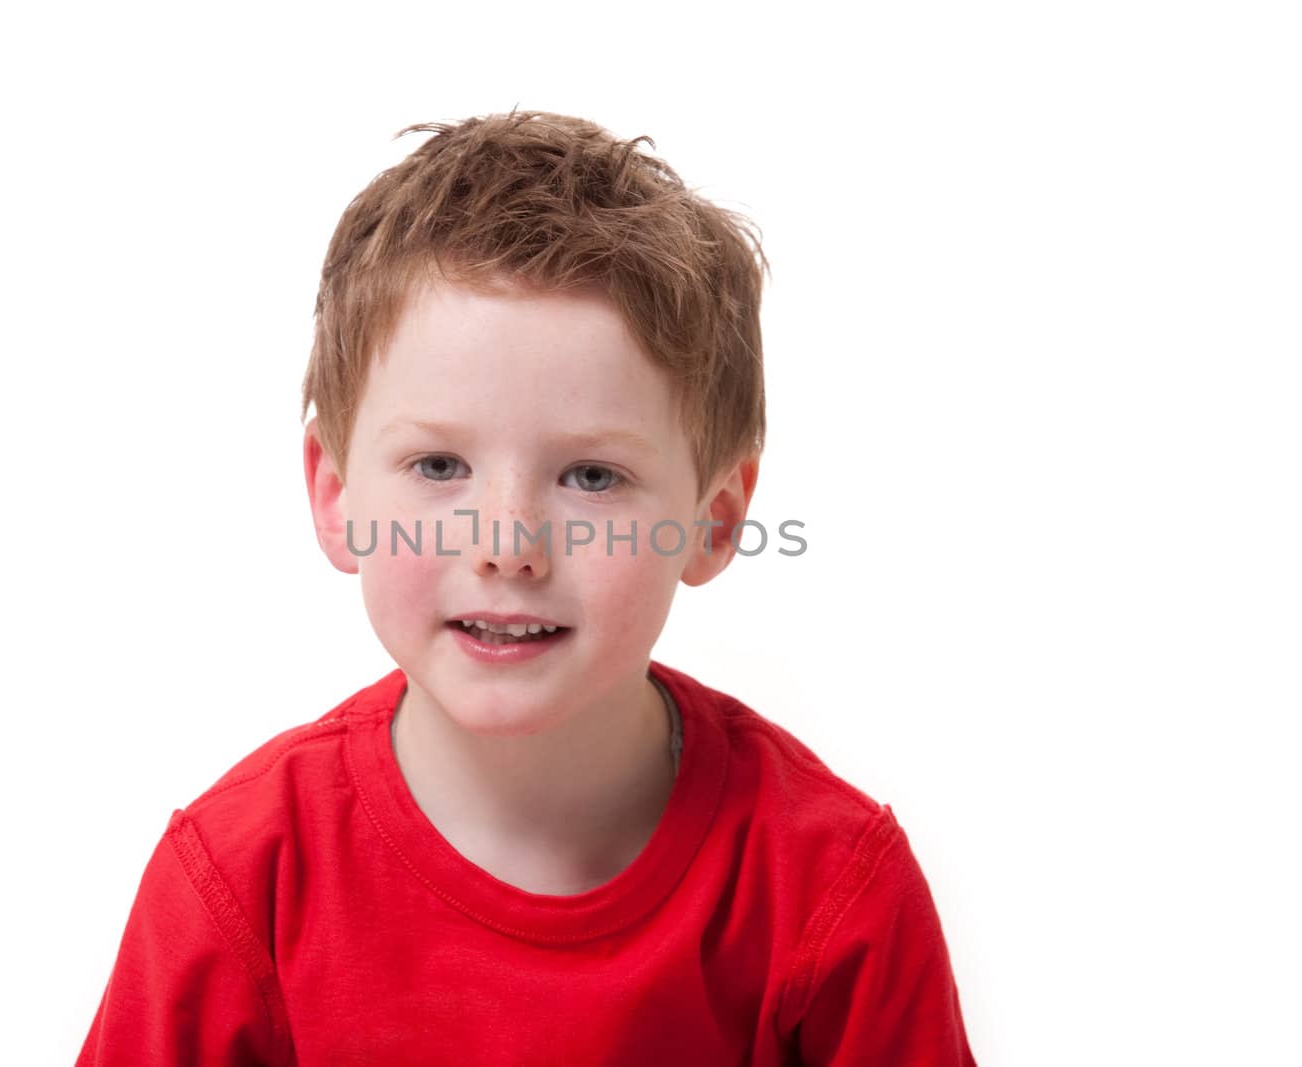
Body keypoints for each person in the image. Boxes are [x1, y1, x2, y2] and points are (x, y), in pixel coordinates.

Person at [77, 109, 976, 1065]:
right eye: (436, 466)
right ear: (336, 496)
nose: (508, 545)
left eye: (590, 476)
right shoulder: (239, 881)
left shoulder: (833, 892)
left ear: (713, 518)